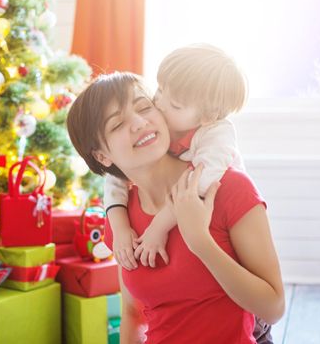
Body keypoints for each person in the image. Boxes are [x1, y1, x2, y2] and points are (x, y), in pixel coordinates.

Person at [67, 72, 284, 343]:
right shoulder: (121, 223)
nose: (139, 122)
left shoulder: (229, 188)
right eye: (118, 123)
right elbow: (133, 314)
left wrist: (201, 242)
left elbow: (273, 308)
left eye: (144, 106)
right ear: (102, 156)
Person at [105, 44, 246, 272]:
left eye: (175, 105)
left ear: (208, 116)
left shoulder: (217, 134)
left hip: (219, 216)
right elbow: (118, 171)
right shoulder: (166, 122)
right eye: (160, 91)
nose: (159, 105)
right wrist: (119, 226)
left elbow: (199, 185)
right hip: (177, 213)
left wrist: (159, 225)